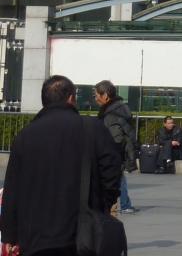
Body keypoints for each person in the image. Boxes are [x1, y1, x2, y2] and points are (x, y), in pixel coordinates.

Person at [1, 75, 120, 256]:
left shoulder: (25, 136)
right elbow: (112, 171)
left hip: (34, 237)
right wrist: (102, 205)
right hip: (82, 235)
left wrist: (9, 234)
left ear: (44, 100)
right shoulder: (92, 128)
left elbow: (12, 188)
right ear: (71, 98)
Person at [95, 79, 138, 215]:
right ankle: (124, 204)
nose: (95, 99)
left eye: (97, 95)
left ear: (105, 96)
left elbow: (115, 139)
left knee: (114, 180)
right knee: (119, 178)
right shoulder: (119, 109)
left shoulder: (110, 115)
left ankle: (119, 205)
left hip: (113, 156)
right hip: (120, 154)